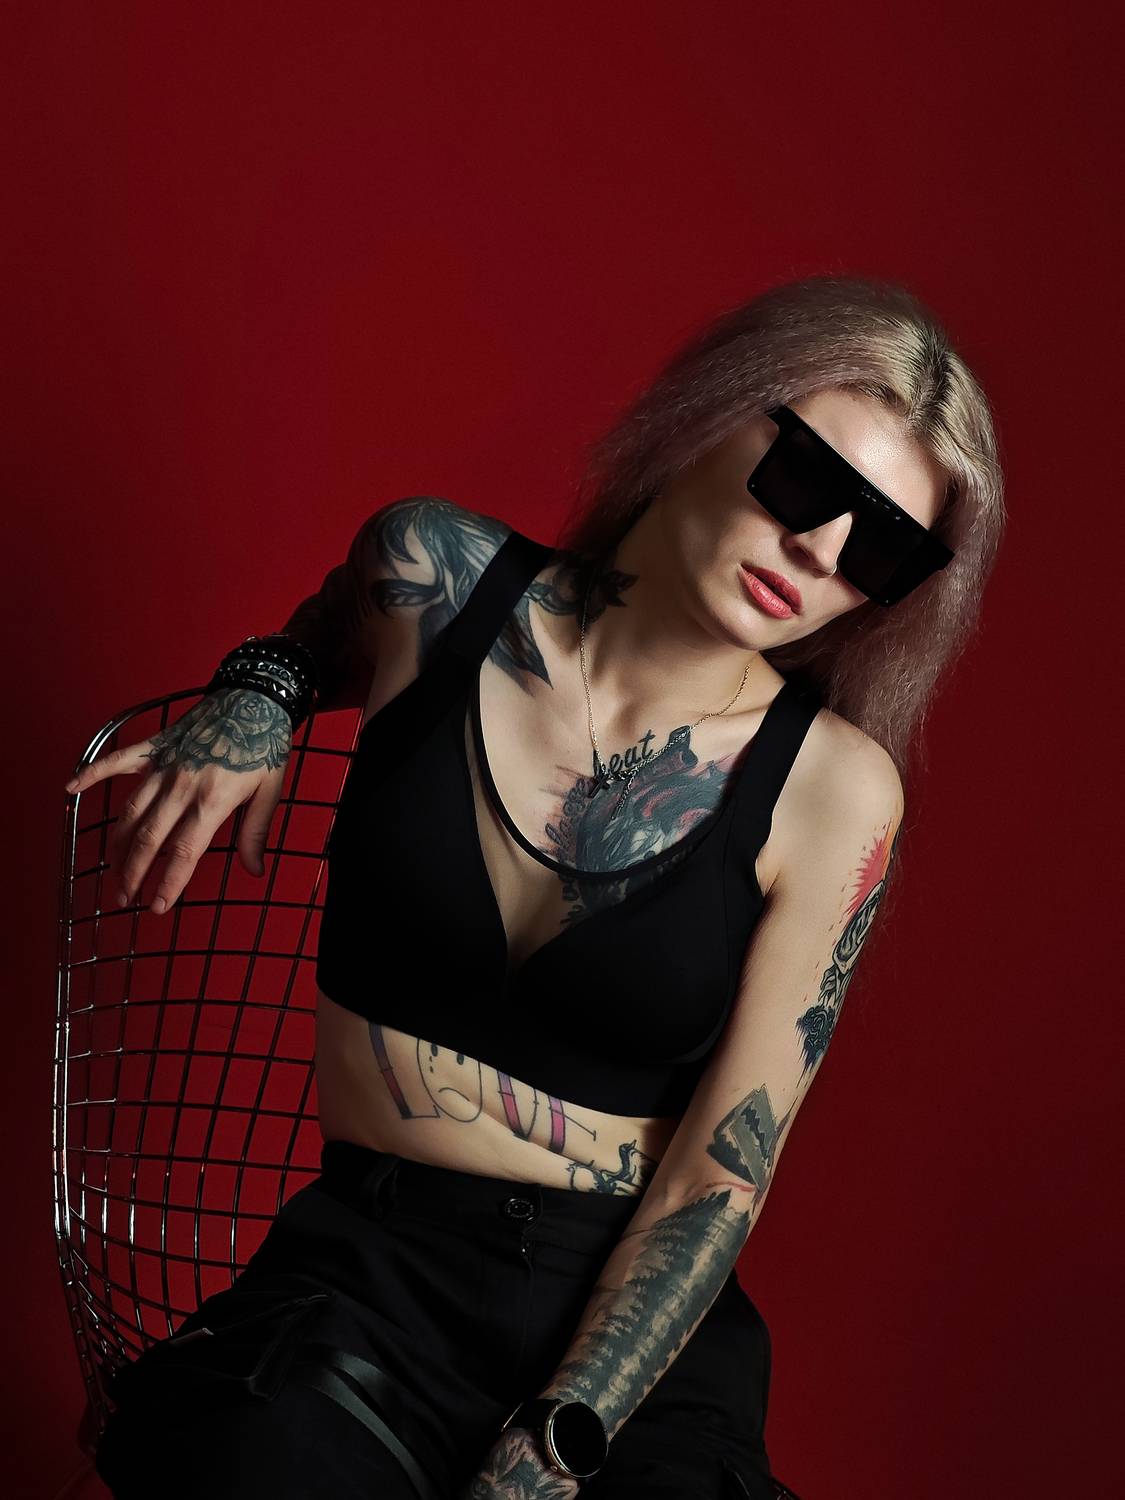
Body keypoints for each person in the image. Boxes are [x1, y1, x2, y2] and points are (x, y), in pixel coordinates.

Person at [79, 274, 1005, 1499]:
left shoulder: (834, 791)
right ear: (711, 412)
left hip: (630, 1344)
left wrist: (563, 1436)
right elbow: (332, 624)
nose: (823, 549)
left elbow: (720, 1171)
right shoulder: (438, 574)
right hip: (367, 1281)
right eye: (808, 481)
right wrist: (262, 689)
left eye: (883, 546)